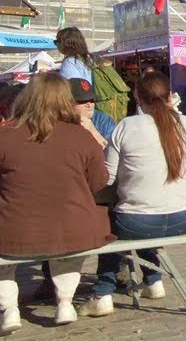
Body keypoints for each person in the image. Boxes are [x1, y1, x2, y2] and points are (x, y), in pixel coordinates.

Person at [81, 73, 186, 317]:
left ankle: (102, 293)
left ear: (137, 98)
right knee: (144, 214)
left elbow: (108, 178)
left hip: (138, 221)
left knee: (113, 220)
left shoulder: (128, 126)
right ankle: (153, 279)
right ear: (171, 96)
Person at [0, 73, 114, 331]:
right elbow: (100, 182)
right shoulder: (81, 137)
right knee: (71, 242)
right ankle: (65, 301)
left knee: (4, 254)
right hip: (74, 229)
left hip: (14, 230)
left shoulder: (4, 135)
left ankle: (9, 309)